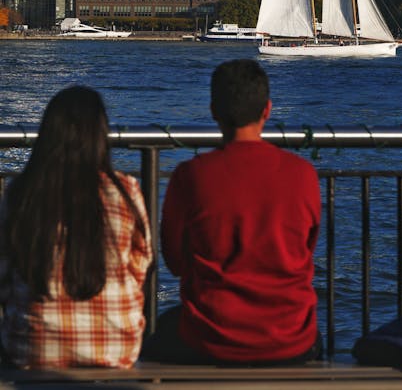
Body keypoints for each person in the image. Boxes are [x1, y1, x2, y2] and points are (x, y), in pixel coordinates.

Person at [142, 59, 322, 364]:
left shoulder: (190, 175)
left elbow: (174, 261)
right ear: (267, 110)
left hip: (210, 335)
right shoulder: (303, 174)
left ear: (214, 111)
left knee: (154, 338)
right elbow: (305, 249)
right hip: (291, 338)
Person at [0, 86, 153, 369]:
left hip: (34, 349)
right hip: (116, 347)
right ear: (100, 135)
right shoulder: (125, 190)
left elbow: (5, 273)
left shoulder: (22, 192)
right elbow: (141, 265)